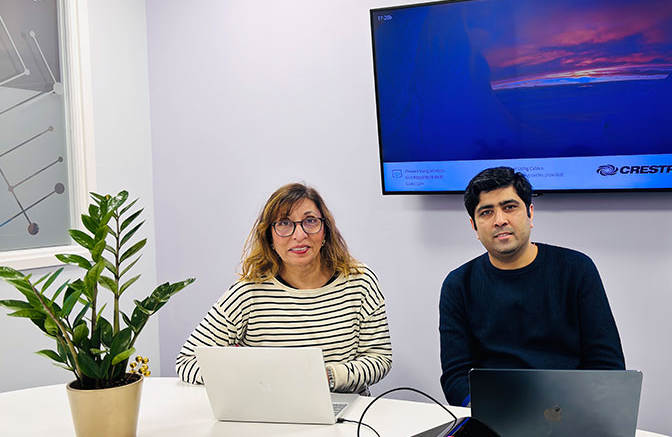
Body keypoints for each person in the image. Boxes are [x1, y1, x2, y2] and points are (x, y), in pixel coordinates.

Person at [175, 183, 392, 393]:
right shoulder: (248, 291)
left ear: (325, 230)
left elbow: (379, 358)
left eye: (310, 221)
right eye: (284, 224)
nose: (299, 235)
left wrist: (327, 377)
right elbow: (187, 362)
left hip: (345, 411)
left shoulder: (359, 281)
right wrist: (251, 379)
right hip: (270, 412)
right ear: (269, 237)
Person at [439, 167, 625, 406]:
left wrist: (583, 413)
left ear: (530, 213)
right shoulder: (458, 285)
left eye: (510, 207)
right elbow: (456, 375)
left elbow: (607, 365)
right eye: (486, 212)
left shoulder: (577, 269)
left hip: (572, 411)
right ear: (474, 226)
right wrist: (484, 412)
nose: (500, 220)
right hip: (495, 413)